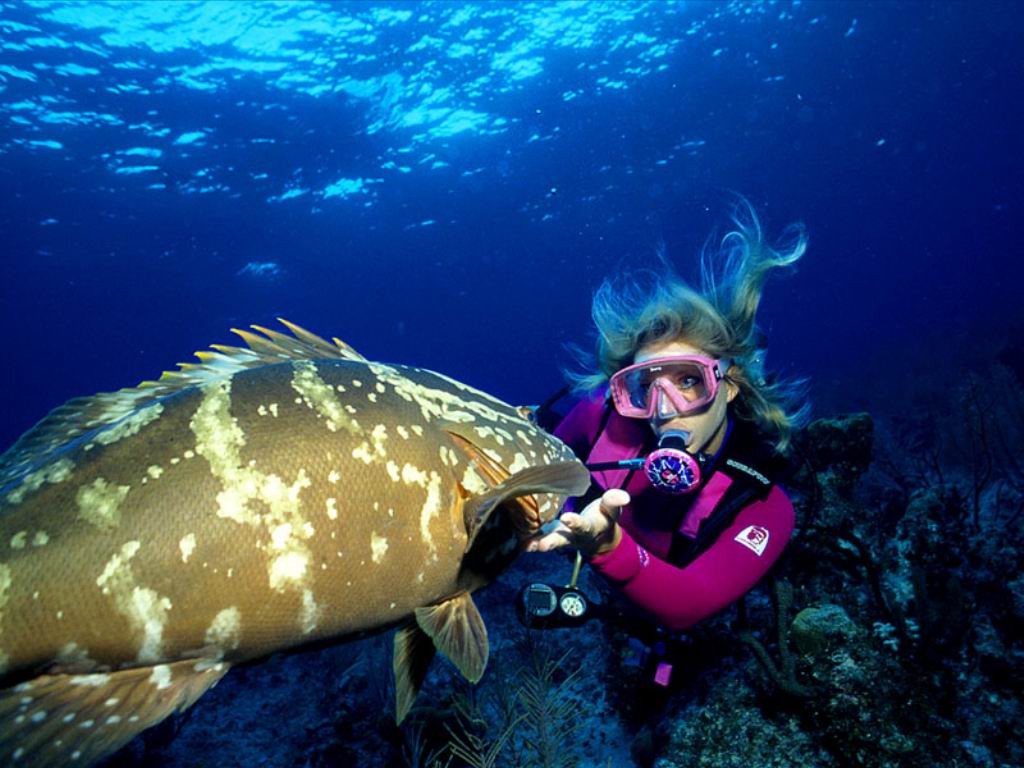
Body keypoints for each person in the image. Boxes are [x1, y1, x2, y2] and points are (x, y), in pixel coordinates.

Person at [527, 203, 808, 635]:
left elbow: (690, 605)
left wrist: (606, 546)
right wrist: (553, 512)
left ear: (728, 386)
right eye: (644, 388)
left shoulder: (763, 504)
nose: (663, 408)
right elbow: (539, 470)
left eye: (688, 381)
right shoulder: (599, 419)